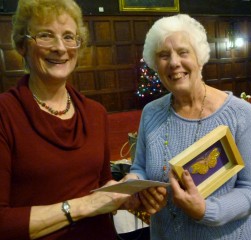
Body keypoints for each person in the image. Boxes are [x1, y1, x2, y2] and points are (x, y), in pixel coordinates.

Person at [0, 0, 166, 239]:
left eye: (69, 37)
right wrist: (84, 205)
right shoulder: (5, 113)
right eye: (45, 35)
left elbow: (100, 185)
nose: (60, 47)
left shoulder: (95, 112)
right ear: (22, 45)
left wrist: (125, 194)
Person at [126, 14, 251, 239]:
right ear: (156, 65)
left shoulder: (240, 114)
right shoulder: (151, 112)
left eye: (183, 52)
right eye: (164, 55)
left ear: (199, 58)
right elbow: (140, 168)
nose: (173, 63)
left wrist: (206, 211)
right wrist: (134, 183)